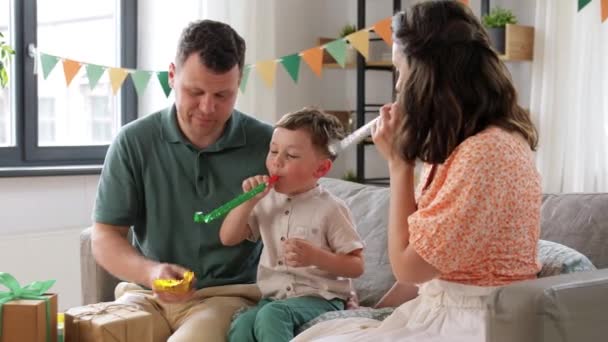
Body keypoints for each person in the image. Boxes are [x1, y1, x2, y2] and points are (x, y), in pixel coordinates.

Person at [293, 1, 541, 341]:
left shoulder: (486, 153)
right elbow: (424, 267)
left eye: (401, 70)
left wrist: (399, 164)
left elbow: (409, 266)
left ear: (428, 76)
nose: (398, 87)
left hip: (477, 324)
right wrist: (373, 312)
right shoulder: (466, 146)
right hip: (444, 310)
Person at [91, 19, 273, 342]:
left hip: (227, 297)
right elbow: (104, 237)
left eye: (222, 95)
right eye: (195, 91)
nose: (207, 107)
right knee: (96, 334)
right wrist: (151, 272)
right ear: (172, 75)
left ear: (239, 83)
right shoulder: (133, 141)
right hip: (145, 295)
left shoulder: (268, 144)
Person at [219, 108, 365, 342]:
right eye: (273, 150)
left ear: (321, 169)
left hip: (322, 299)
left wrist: (317, 257)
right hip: (275, 298)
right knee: (242, 323)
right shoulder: (265, 200)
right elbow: (228, 237)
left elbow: (357, 266)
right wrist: (247, 202)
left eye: (291, 156)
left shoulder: (331, 208)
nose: (276, 161)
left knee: (271, 315)